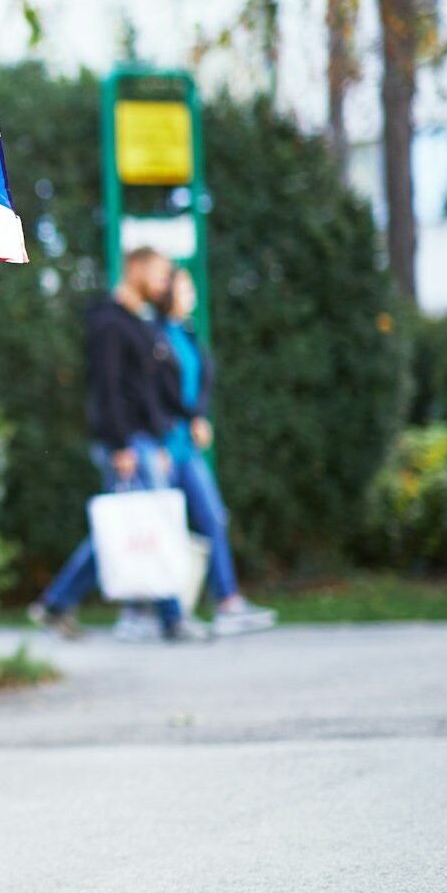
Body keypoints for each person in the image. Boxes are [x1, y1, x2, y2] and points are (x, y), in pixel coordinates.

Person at [27, 247, 201, 643]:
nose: (163, 284)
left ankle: (56, 602)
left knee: (122, 526)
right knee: (151, 521)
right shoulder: (109, 322)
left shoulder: (142, 323)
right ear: (135, 268)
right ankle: (173, 618)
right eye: (158, 274)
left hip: (144, 439)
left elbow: (150, 390)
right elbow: (108, 388)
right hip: (126, 442)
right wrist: (121, 445)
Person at [156, 267, 276, 636]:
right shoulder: (153, 335)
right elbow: (153, 392)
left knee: (213, 517)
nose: (191, 293)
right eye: (185, 286)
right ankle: (144, 610)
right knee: (154, 526)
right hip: (162, 445)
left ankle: (227, 600)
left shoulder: (188, 334)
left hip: (188, 447)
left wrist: (199, 417)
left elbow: (198, 386)